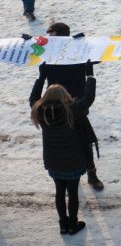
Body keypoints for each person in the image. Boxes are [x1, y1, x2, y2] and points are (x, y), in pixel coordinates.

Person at [30, 59, 96, 235]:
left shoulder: (40, 111)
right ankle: (73, 224)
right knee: (72, 193)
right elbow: (88, 98)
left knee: (59, 192)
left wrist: (41, 77)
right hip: (72, 161)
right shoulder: (70, 111)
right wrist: (89, 74)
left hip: (53, 161)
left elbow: (32, 98)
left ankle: (63, 225)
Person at [40, 22, 104, 191]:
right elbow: (31, 53)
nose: (49, 40)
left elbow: (99, 55)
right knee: (59, 142)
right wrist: (27, 43)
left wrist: (86, 45)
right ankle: (64, 173)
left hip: (76, 104)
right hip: (55, 105)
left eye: (52, 37)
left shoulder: (78, 50)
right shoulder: (49, 53)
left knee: (85, 141)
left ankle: (92, 173)